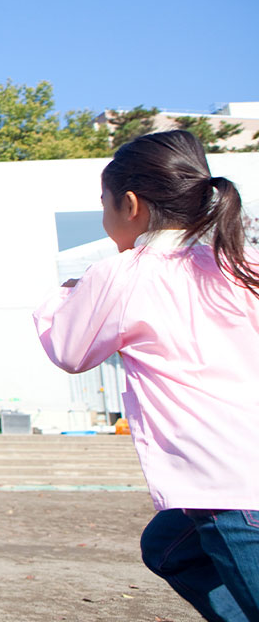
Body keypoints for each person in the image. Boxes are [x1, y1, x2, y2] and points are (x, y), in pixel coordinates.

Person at [33, 130, 259, 622]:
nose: (103, 217)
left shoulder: (121, 273)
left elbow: (72, 352)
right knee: (167, 545)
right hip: (239, 467)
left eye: (104, 206)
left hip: (226, 480)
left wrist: (67, 291)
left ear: (129, 205)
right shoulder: (241, 264)